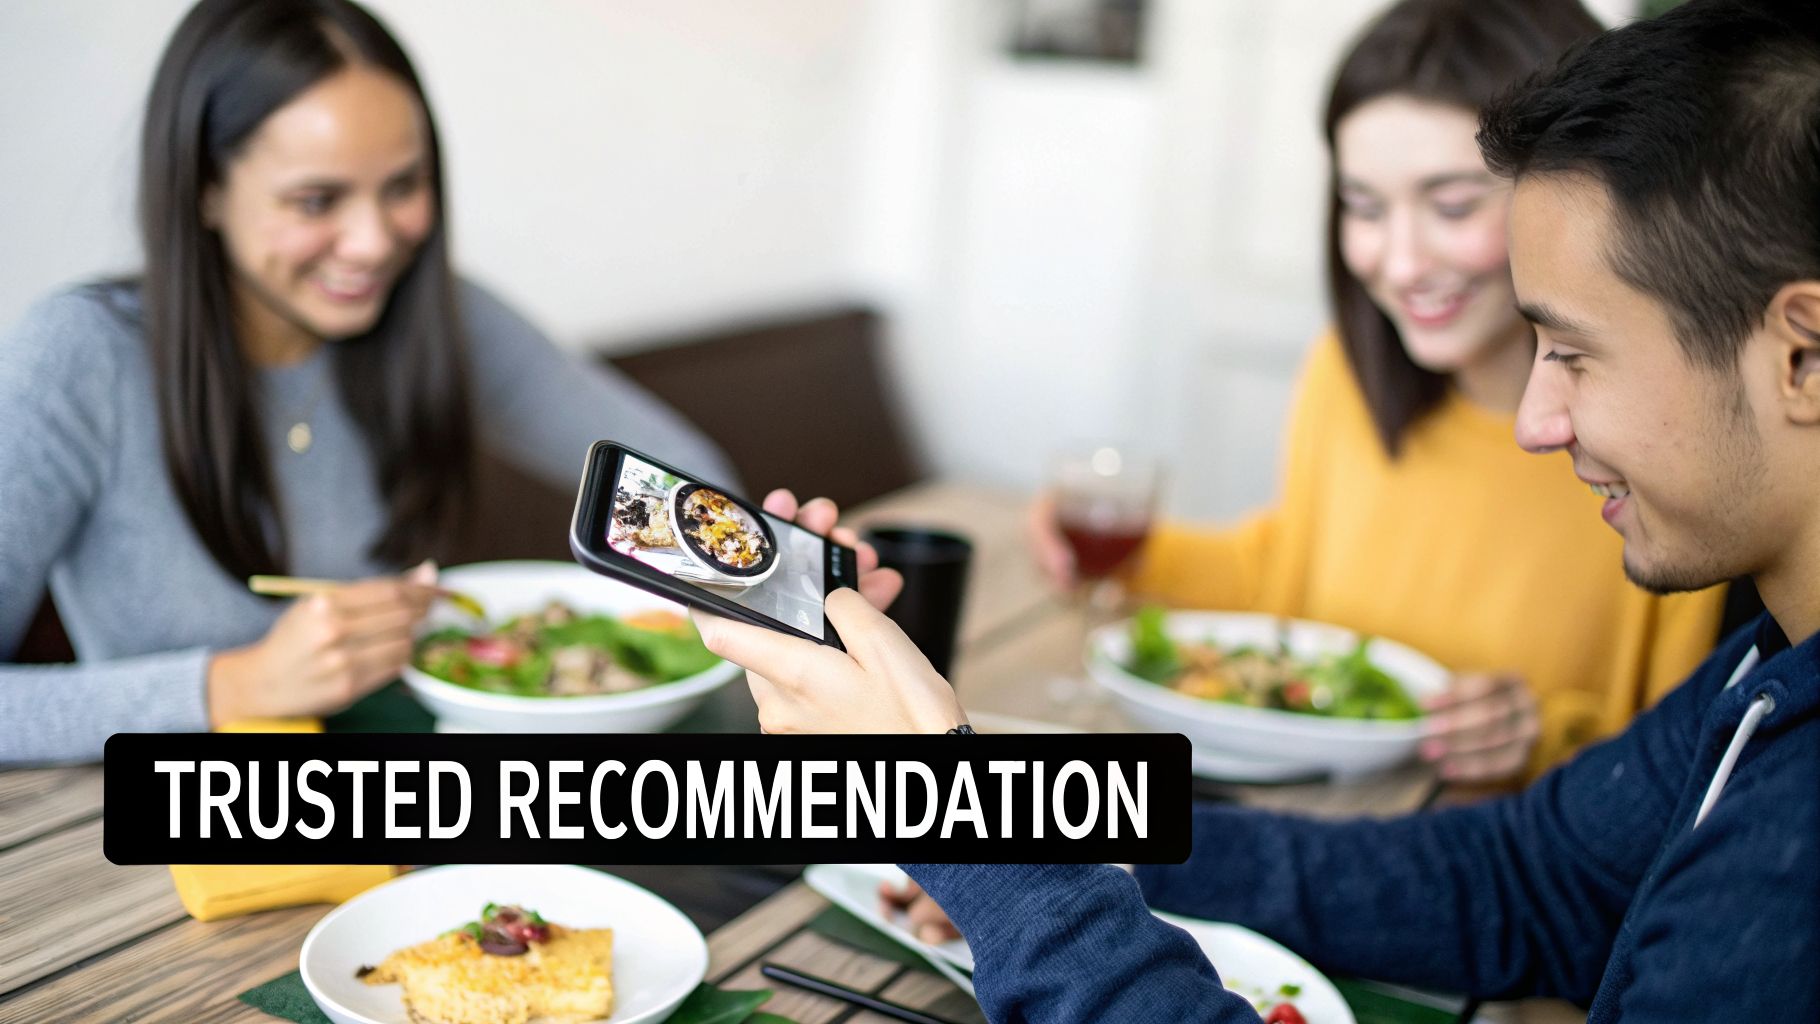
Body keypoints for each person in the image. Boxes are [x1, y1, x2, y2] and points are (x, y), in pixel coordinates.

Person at [694, 0, 1820, 1018]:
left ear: (1801, 358)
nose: (1535, 420)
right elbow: (1525, 879)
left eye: (1572, 351)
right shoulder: (1769, 671)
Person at [0, 0, 732, 766]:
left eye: (403, 185)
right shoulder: (78, 357)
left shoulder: (437, 316)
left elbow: (682, 477)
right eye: (317, 200)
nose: (375, 242)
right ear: (204, 191)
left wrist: (758, 560)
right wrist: (230, 685)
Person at [1034, 0, 1738, 784]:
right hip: (1308, 827)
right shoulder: (1345, 373)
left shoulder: (1668, 444)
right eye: (1363, 207)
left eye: (1452, 204)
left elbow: (1690, 761)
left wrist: (1543, 735)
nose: (1399, 264)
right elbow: (1291, 576)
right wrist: (1132, 553)